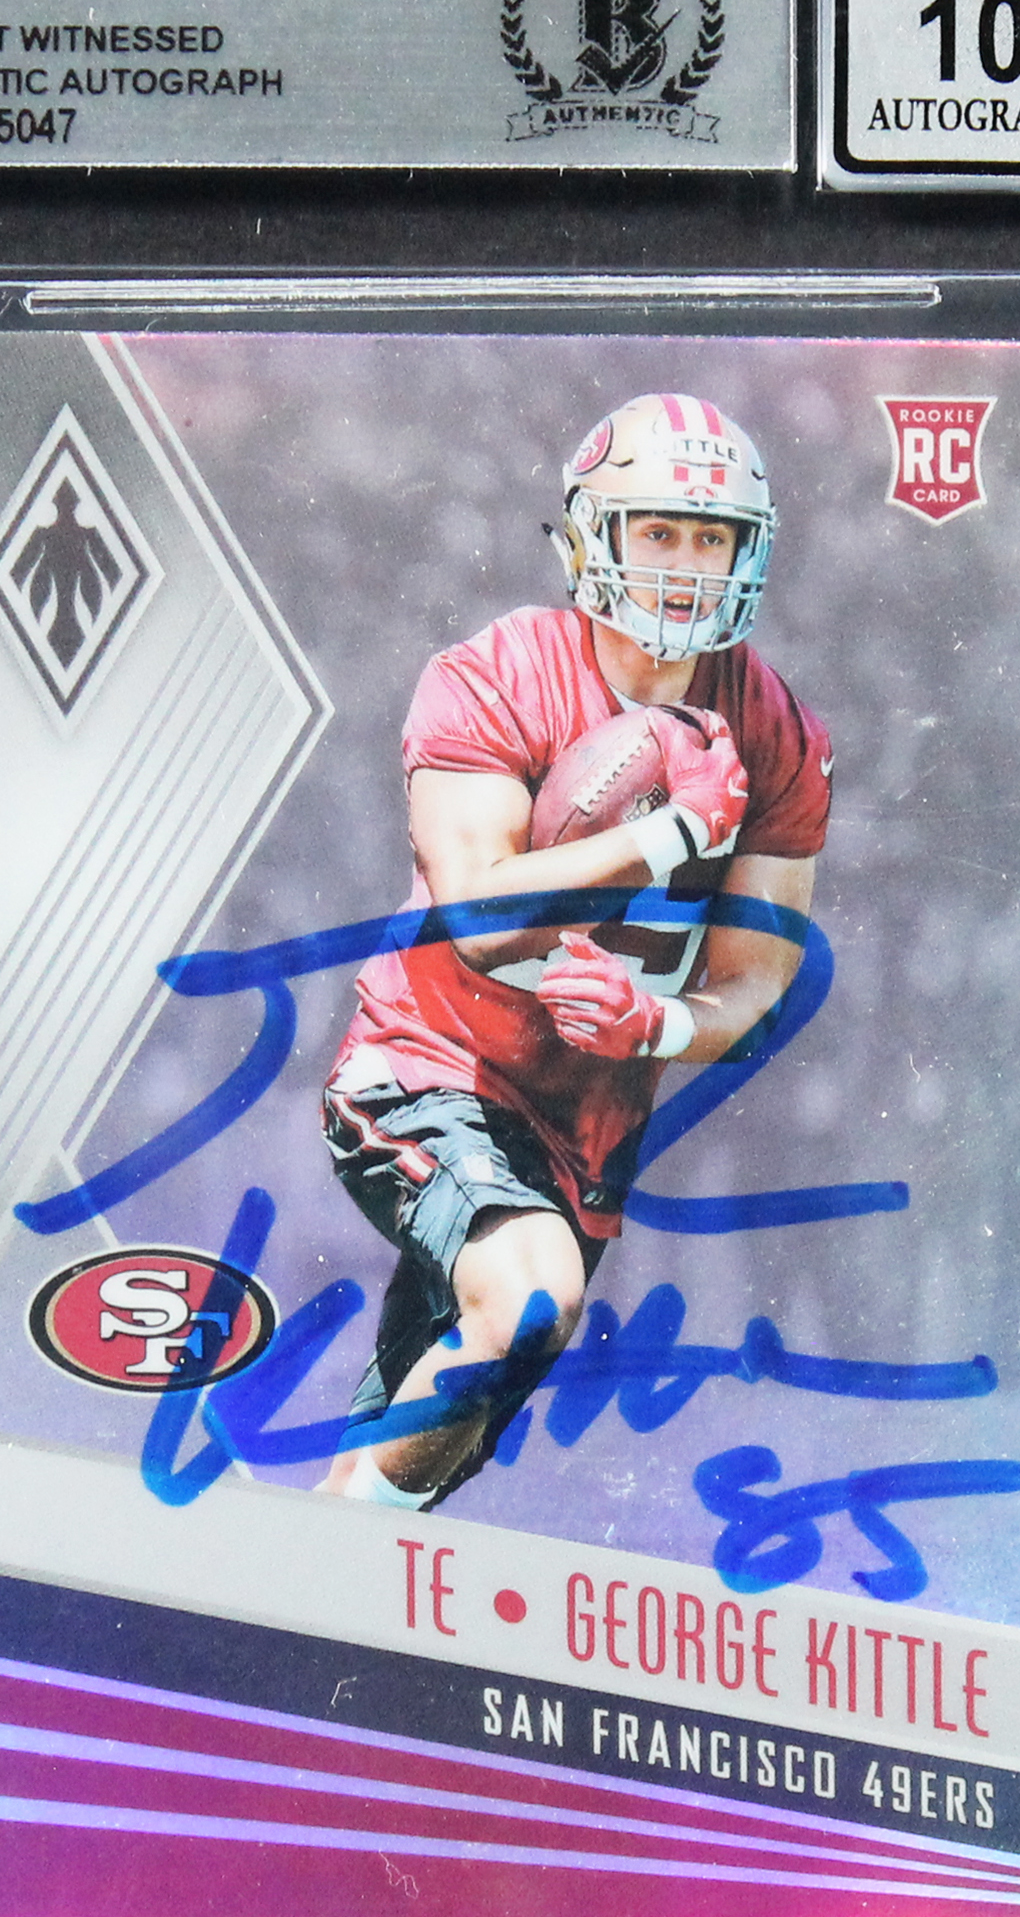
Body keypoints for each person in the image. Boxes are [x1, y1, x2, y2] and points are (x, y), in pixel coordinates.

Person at [318, 392, 832, 1509]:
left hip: (583, 1131)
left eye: (711, 537)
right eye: (659, 530)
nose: (685, 565)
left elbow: (756, 977)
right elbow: (479, 914)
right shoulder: (493, 674)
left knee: (412, 1446)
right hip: (432, 1066)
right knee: (529, 1304)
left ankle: (305, 1583)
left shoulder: (776, 727)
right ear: (595, 535)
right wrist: (668, 835)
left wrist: (662, 1023)